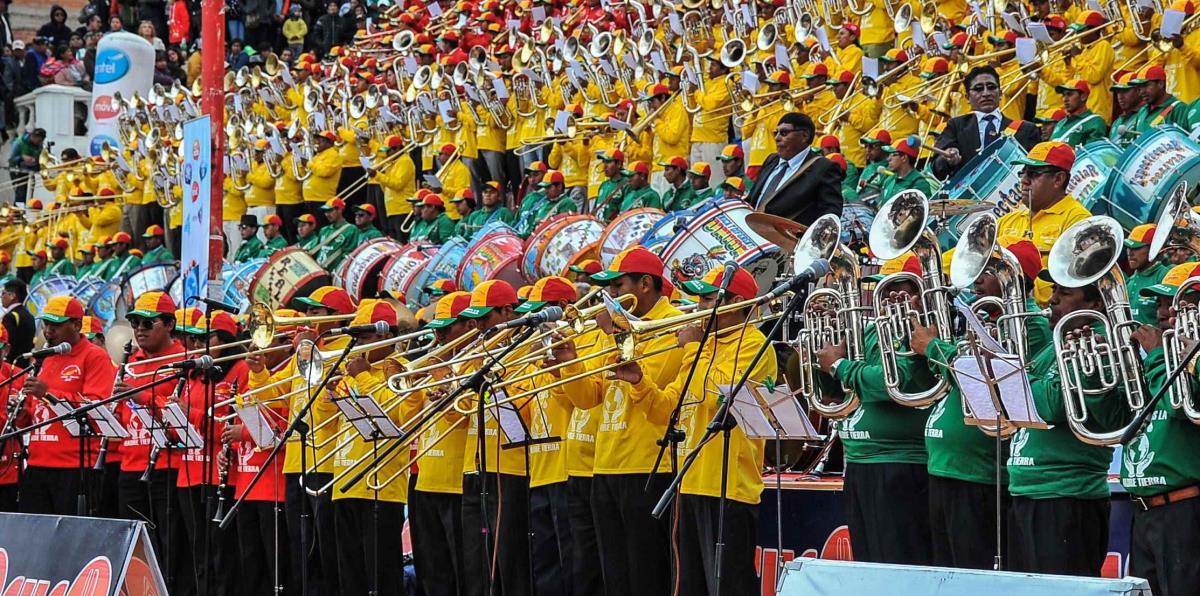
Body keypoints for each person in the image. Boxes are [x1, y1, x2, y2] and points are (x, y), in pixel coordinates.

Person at [615, 266, 775, 594]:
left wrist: (692, 349)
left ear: (736, 302)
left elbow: (716, 395)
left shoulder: (754, 343)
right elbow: (667, 409)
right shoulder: (705, 345)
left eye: (706, 300)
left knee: (729, 585)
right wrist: (639, 382)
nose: (699, 307)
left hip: (728, 486)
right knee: (691, 586)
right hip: (689, 481)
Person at [549, 247, 686, 596]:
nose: (610, 295)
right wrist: (570, 362)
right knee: (614, 577)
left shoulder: (672, 324)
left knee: (645, 573)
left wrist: (616, 334)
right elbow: (588, 398)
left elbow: (650, 387)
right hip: (605, 465)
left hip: (646, 465)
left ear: (643, 284)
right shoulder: (618, 324)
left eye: (617, 285)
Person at [911, 238, 1050, 569]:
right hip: (946, 468)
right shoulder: (980, 317)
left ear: (1013, 277)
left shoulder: (1032, 326)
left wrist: (933, 348)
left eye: (988, 270)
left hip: (981, 473)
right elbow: (946, 374)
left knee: (975, 575)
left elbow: (990, 379)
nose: (976, 277)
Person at [814, 255, 934, 565]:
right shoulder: (869, 331)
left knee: (898, 565)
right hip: (860, 463)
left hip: (899, 464)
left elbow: (891, 384)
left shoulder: (921, 333)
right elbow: (839, 394)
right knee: (869, 563)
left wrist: (840, 365)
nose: (890, 300)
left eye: (901, 291)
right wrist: (821, 357)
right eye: (883, 290)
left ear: (922, 294)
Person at [331, 299, 420, 596]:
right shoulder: (351, 371)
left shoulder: (400, 368)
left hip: (381, 485)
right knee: (349, 575)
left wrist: (363, 376)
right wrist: (326, 391)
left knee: (382, 576)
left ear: (384, 336)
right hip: (344, 480)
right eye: (355, 338)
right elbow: (329, 420)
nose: (355, 344)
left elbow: (395, 413)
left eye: (363, 338)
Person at [1126, 262, 1200, 596]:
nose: (1163, 313)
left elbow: (1178, 404)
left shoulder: (1167, 357)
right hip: (1143, 510)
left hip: (1185, 511)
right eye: (1158, 304)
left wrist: (1157, 356)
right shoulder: (1154, 358)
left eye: (1175, 304)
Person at [109, 292, 190, 593]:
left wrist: (142, 397)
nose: (139, 329)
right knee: (134, 545)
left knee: (169, 545)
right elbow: (119, 417)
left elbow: (182, 412)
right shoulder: (131, 361)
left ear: (169, 324)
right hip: (131, 464)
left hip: (167, 466)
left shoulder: (182, 360)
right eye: (134, 322)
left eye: (147, 322)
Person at [15, 295, 117, 515]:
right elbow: (33, 413)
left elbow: (95, 407)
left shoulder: (94, 356)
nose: (49, 331)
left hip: (74, 467)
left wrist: (48, 393)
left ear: (77, 325)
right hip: (36, 463)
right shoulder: (43, 358)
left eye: (56, 325)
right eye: (46, 324)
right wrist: (21, 413)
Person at [409, 290, 472, 596]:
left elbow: (462, 418)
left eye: (448, 328)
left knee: (462, 570)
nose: (442, 336)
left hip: (457, 483)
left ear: (469, 325)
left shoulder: (475, 364)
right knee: (433, 572)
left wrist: (445, 382)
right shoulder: (430, 364)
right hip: (425, 480)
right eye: (439, 328)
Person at [995, 141, 1092, 306]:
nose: (1024, 181)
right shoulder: (1008, 220)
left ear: (1058, 179)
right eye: (1023, 173)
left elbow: (1070, 285)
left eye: (1033, 174)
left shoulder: (1079, 221)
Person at [931, 66, 1040, 180]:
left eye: (991, 87)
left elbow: (1037, 171)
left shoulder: (1026, 130)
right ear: (967, 97)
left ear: (1001, 93)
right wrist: (947, 159)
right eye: (978, 89)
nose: (986, 93)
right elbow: (937, 169)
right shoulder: (956, 126)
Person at [746, 112, 844, 226]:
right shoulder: (771, 160)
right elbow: (753, 198)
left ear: (804, 136)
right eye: (775, 133)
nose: (777, 138)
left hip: (786, 239)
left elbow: (830, 216)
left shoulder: (824, 168)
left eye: (784, 133)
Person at [1126, 224, 1170, 326]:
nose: (1130, 252)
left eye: (1136, 248)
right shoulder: (1129, 281)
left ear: (1155, 248)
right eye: (1128, 247)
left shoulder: (1165, 276)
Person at [1050, 80, 1108, 146]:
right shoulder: (1060, 123)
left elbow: (1092, 154)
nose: (1065, 99)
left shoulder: (1094, 121)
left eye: (1069, 94)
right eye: (1063, 95)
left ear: (1083, 96)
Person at [878, 139, 933, 204]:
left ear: (904, 157)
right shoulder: (889, 180)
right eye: (889, 155)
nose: (888, 159)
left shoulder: (920, 184)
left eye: (893, 155)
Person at [314, 198, 357, 270]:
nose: (327, 214)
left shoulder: (351, 229)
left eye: (330, 211)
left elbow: (349, 254)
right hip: (318, 270)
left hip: (335, 274)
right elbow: (316, 251)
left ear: (340, 210)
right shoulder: (323, 230)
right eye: (325, 211)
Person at [1, 279, 34, 366]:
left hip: (11, 366)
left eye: (3, 293)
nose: (1, 297)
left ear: (12, 296)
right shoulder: (29, 315)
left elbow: (7, 342)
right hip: (24, 366)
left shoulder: (10, 317)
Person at [7, 127, 43, 203]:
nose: (38, 143)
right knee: (20, 193)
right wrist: (22, 157)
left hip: (31, 170)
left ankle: (26, 208)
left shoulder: (39, 145)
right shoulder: (19, 143)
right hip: (17, 170)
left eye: (40, 141)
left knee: (30, 191)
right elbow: (12, 159)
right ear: (32, 136)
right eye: (38, 140)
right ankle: (18, 211)